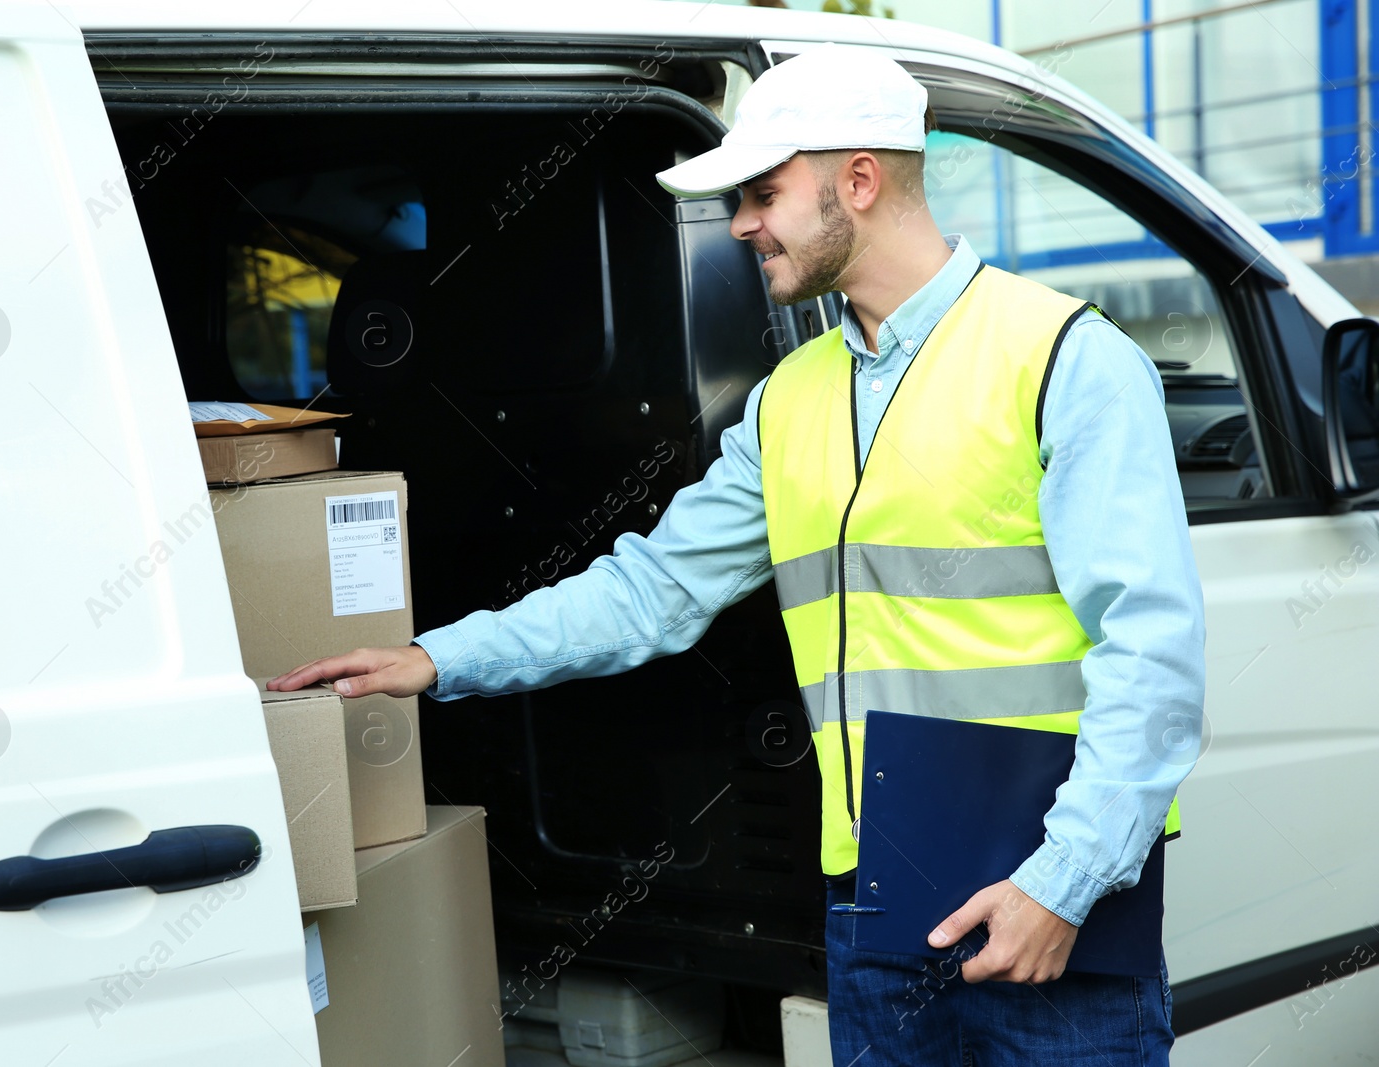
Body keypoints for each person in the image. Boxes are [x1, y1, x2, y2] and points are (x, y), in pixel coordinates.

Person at [269, 44, 1204, 1066]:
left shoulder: (1066, 358)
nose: (743, 221)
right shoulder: (792, 396)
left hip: (1045, 915)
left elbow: (1151, 658)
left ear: (858, 178)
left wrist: (1058, 884)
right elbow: (654, 589)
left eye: (762, 191)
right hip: (875, 910)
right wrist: (441, 657)